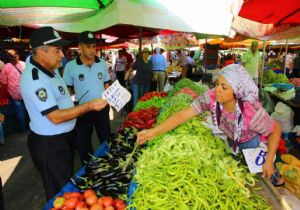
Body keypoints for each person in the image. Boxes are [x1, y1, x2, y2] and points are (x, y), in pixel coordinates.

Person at [137, 64, 282, 184]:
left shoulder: (250, 111)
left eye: (224, 87)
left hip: (253, 145)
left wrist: (269, 160)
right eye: (217, 84)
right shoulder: (211, 97)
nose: (217, 89)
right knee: (243, 176)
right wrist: (153, 132)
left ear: (237, 91)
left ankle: (278, 181)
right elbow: (183, 114)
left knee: (267, 177)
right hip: (234, 140)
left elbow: (276, 130)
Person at [20, 26, 108, 201]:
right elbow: (55, 117)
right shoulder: (34, 79)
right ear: (40, 52)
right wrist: (88, 106)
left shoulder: (51, 69)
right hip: (50, 145)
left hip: (63, 139)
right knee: (59, 195)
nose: (62, 55)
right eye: (57, 51)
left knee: (65, 185)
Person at [63, 31, 111, 165]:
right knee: (83, 142)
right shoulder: (70, 66)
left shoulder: (101, 63)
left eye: (93, 47)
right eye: (88, 47)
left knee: (106, 138)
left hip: (102, 108)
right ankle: (88, 168)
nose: (92, 50)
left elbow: (106, 84)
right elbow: (67, 90)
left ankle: (108, 164)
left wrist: (111, 100)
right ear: (80, 47)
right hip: (83, 110)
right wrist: (69, 110)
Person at [0, 49, 27, 132]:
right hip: (26, 91)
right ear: (18, 55)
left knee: (20, 111)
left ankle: (23, 129)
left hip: (14, 94)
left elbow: (3, 81)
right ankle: (32, 126)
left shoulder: (6, 67)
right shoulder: (24, 64)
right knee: (30, 109)